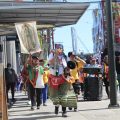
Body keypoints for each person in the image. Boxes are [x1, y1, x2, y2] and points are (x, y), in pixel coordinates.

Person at [48, 47, 77, 117]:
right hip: (54, 78)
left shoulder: (65, 57)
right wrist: (55, 55)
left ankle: (64, 111)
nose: (59, 50)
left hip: (64, 78)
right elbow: (50, 63)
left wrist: (68, 69)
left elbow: (69, 65)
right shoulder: (51, 54)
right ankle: (57, 107)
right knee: (55, 95)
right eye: (58, 48)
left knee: (64, 95)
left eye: (61, 48)